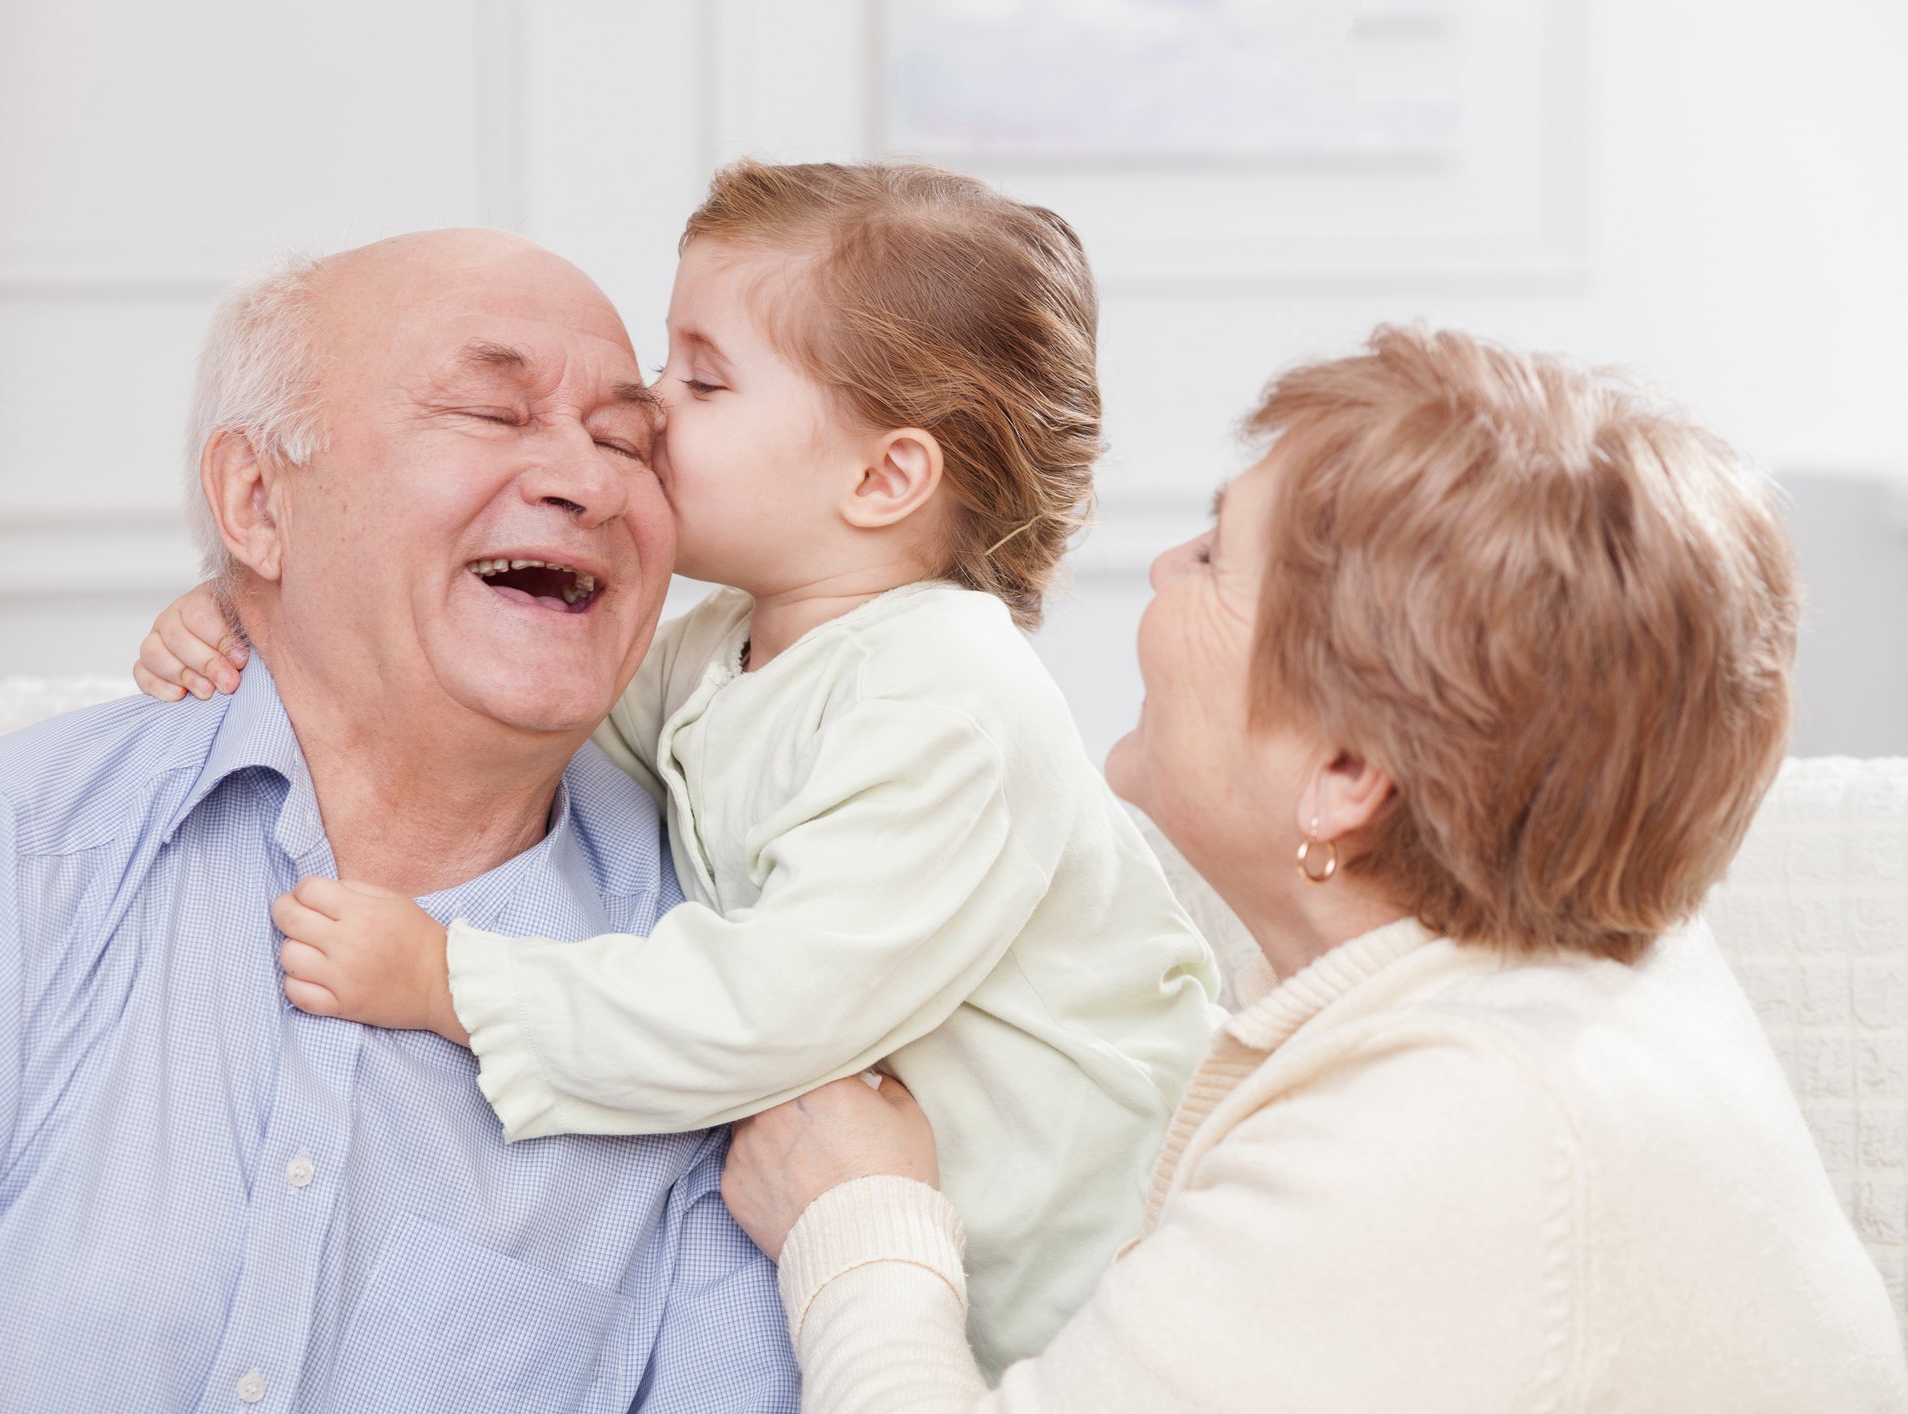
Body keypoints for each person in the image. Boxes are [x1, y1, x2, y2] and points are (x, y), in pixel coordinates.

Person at [133, 159, 1224, 1375]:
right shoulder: (726, 653)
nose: (650, 410)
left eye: (702, 377)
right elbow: (506, 706)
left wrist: (452, 980)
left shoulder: (950, 701)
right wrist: (257, 617)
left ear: (883, 479)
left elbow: (767, 1011)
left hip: (1123, 1298)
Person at [717, 326, 1908, 1411]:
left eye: (1211, 557)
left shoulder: (1452, 1128)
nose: (1158, 567)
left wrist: (861, 1222)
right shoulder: (1581, 980)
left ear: (1345, 771)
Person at [0, 229, 797, 1411]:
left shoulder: (728, 991)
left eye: (625, 439)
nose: (589, 482)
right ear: (256, 500)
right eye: (491, 415)